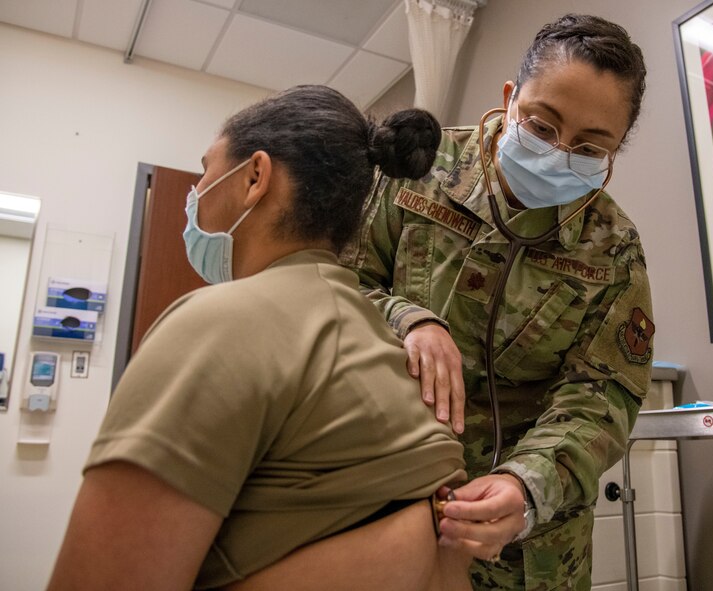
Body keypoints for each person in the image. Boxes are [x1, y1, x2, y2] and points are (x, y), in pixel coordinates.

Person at [47, 86, 475, 591]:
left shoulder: (218, 326)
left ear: (254, 177)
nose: (197, 192)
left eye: (206, 170)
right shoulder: (387, 346)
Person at [341, 13, 655, 590]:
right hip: (386, 500)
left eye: (590, 146)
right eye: (542, 126)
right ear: (510, 100)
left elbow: (602, 396)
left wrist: (528, 483)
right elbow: (333, 287)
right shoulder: (416, 174)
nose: (560, 153)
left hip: (530, 549)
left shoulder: (613, 249)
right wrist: (406, 318)